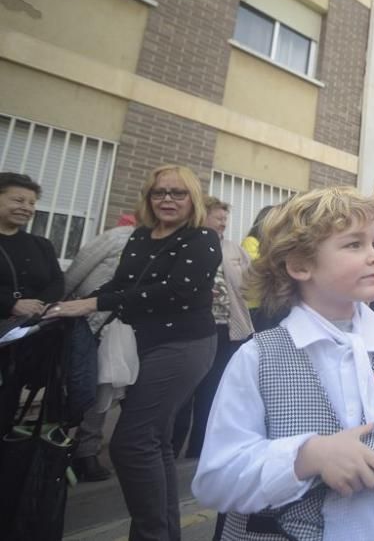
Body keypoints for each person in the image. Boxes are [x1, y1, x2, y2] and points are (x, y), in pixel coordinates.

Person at [192, 187, 374, 540]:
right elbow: (215, 480)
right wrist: (307, 457)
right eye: (353, 244)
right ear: (300, 265)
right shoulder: (259, 358)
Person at [46, 164, 221, 541]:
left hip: (184, 345)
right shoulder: (141, 237)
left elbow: (178, 291)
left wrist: (92, 304)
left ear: (193, 199)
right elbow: (124, 282)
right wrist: (70, 304)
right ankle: (161, 534)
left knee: (131, 443)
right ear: (148, 197)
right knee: (152, 441)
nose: (168, 200)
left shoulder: (202, 238)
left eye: (178, 193)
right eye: (159, 192)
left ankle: (150, 535)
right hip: (139, 344)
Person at [172, 197, 253, 459]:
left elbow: (251, 281)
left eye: (225, 219)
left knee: (214, 391)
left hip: (227, 330)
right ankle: (170, 448)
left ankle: (199, 449)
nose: (223, 222)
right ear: (201, 216)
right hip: (191, 331)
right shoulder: (185, 243)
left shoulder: (232, 249)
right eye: (218, 217)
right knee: (184, 392)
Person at [64, 213, 137, 482]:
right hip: (84, 323)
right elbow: (75, 273)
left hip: (120, 328)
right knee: (78, 387)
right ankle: (58, 445)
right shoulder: (117, 238)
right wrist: (61, 307)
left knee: (105, 386)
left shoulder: (166, 249)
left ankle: (86, 451)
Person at [0, 172, 65, 431]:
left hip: (21, 343)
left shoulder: (41, 244)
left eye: (31, 203)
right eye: (18, 200)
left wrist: (38, 306)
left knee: (7, 404)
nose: (26, 208)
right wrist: (11, 304)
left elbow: (57, 282)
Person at [242, 205, 275, 329]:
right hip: (254, 305)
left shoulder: (268, 243)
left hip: (266, 304)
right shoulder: (251, 241)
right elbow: (259, 266)